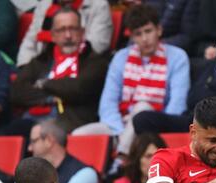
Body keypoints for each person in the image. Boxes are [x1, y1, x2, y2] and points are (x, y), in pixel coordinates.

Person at [72, 5, 190, 160]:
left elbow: (177, 106)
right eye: (138, 34)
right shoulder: (121, 57)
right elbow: (107, 103)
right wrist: (122, 131)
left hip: (154, 124)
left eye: (148, 31)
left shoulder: (177, 57)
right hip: (119, 126)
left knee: (142, 108)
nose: (144, 39)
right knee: (78, 136)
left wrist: (142, 123)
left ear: (159, 30)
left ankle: (122, 159)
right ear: (132, 37)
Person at [9, 7, 111, 133]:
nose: (68, 36)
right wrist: (53, 98)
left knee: (43, 133)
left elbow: (78, 89)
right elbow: (17, 91)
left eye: (73, 29)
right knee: (7, 134)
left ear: (82, 32)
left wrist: (44, 83)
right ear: (53, 35)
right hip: (33, 118)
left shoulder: (95, 61)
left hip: (70, 122)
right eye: (61, 30)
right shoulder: (42, 60)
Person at [17, 0, 113, 66]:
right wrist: (25, 67)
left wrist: (60, 67)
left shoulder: (98, 4)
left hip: (82, 67)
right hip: (43, 65)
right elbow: (30, 42)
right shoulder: (45, 4)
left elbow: (98, 45)